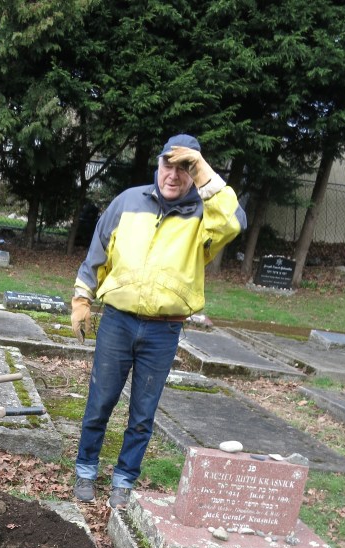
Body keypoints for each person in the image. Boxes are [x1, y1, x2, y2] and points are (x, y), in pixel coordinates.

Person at [71, 133, 247, 509]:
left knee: (142, 413)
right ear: (158, 165)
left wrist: (202, 172)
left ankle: (123, 480)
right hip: (118, 321)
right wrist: (82, 298)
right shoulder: (127, 201)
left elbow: (233, 222)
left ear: (195, 172)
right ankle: (86, 469)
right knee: (100, 401)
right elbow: (98, 252)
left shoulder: (205, 215)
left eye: (185, 168)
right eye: (169, 165)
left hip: (164, 329)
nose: (174, 175)